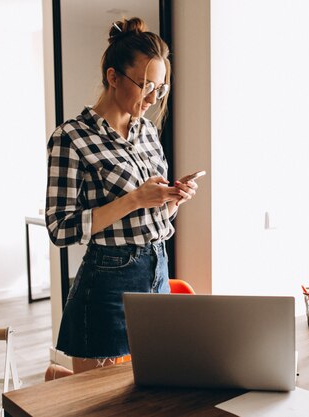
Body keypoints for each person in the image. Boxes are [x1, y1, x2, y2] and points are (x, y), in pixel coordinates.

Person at [44, 17, 198, 379]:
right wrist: (136, 199)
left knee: (151, 392)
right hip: (108, 280)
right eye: (144, 86)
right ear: (113, 77)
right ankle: (55, 382)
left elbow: (153, 215)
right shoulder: (71, 138)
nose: (151, 98)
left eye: (159, 89)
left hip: (157, 269)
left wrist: (172, 199)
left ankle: (55, 380)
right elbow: (59, 228)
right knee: (103, 402)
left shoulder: (146, 130)